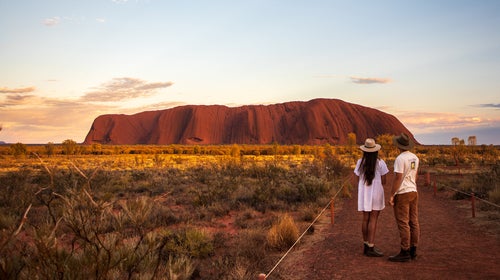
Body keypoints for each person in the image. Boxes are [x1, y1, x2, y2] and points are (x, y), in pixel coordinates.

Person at [354, 138, 389, 257]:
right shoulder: (380, 163)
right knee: (373, 219)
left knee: (365, 219)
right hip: (377, 193)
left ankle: (365, 245)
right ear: (375, 150)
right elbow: (384, 181)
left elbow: (357, 178)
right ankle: (371, 247)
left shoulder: (360, 162)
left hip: (364, 193)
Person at [388, 132, 420, 262]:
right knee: (414, 221)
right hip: (413, 191)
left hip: (403, 193)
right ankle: (413, 250)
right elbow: (415, 175)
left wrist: (392, 194)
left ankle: (405, 251)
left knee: (403, 222)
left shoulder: (400, 159)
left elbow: (398, 177)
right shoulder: (415, 158)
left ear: (398, 146)